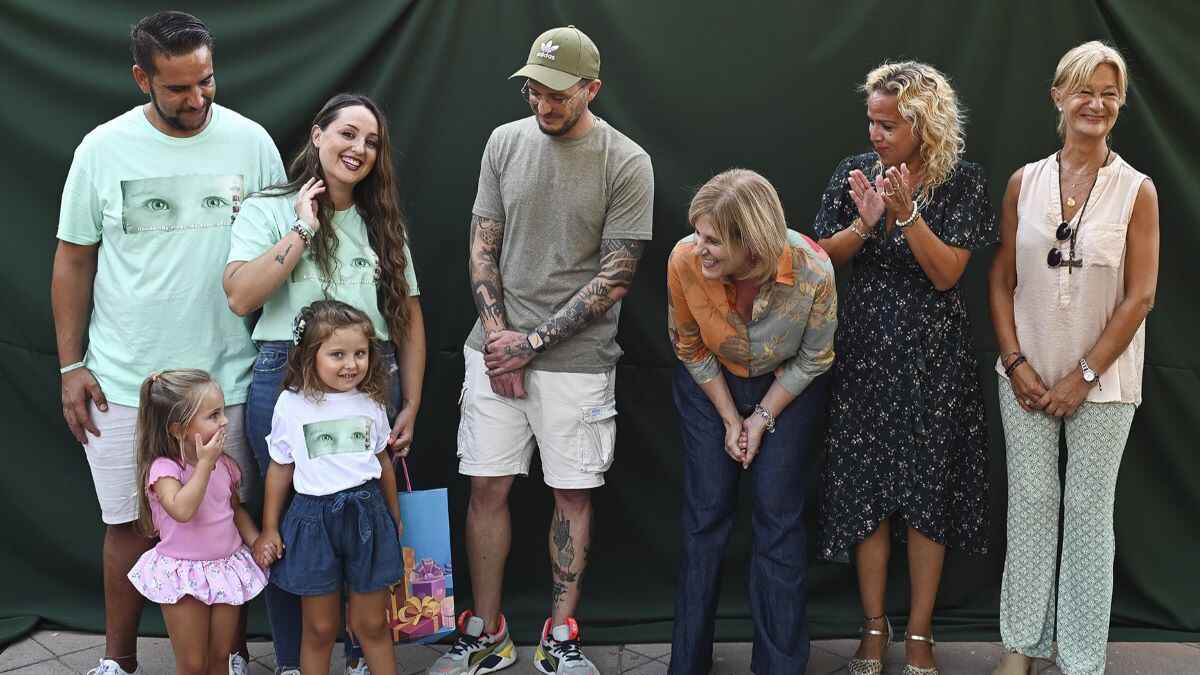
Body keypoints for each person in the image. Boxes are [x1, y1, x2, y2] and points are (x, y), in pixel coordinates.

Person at [50, 11, 284, 675]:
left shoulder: (252, 142)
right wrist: (73, 364)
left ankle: (232, 656)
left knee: (224, 521)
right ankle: (117, 661)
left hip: (229, 381)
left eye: (205, 81)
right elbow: (72, 259)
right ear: (141, 78)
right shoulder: (101, 149)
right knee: (127, 523)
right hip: (126, 380)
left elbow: (278, 255)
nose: (197, 98)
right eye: (178, 87)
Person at [430, 24, 654, 675]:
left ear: (592, 89)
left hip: (575, 364)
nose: (544, 104)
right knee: (485, 488)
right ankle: (488, 635)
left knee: (572, 495)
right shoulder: (503, 142)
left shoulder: (626, 161)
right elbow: (482, 244)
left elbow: (615, 277)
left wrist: (530, 343)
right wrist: (501, 338)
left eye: (558, 93)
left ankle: (559, 638)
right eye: (534, 89)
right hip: (492, 350)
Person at [224, 92, 424, 675]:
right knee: (292, 518)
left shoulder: (383, 225)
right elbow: (240, 295)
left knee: (362, 506)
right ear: (318, 135)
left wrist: (410, 399)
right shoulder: (268, 210)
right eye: (347, 135)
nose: (358, 149)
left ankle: (363, 655)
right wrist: (302, 230)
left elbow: (409, 321)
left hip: (370, 375)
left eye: (371, 141)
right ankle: (295, 660)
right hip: (284, 374)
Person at [813, 61, 997, 675]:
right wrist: (865, 225)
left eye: (888, 124)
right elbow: (819, 262)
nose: (876, 134)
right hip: (863, 356)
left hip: (933, 364)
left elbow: (947, 274)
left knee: (926, 500)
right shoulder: (851, 174)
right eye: (871, 121)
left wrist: (908, 214)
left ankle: (919, 635)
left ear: (924, 125)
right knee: (867, 494)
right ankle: (872, 628)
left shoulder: (962, 183)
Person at [988, 42, 1158, 675]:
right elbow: (1002, 276)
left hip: (1106, 384)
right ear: (1058, 96)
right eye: (1085, 90)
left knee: (1088, 515)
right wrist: (1014, 362)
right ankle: (1020, 649)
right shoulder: (1023, 182)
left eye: (1110, 92)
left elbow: (1141, 295)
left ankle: (1082, 660)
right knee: (1030, 506)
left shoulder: (1137, 191)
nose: (1097, 102)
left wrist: (1084, 376)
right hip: (1025, 377)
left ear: (1120, 104)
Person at [665, 169, 836, 674]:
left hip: (787, 387)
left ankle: (780, 666)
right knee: (705, 516)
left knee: (778, 519)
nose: (701, 248)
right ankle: (687, 664)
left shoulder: (813, 269)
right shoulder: (684, 261)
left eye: (714, 240)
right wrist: (727, 417)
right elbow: (689, 347)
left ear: (752, 246)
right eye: (699, 233)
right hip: (710, 384)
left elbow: (814, 358)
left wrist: (760, 418)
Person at [255, 300, 405, 675]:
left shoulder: (371, 401)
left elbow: (383, 461)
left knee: (371, 624)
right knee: (320, 628)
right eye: (337, 354)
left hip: (367, 516)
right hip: (312, 521)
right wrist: (270, 527)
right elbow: (279, 469)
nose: (350, 364)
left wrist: (394, 514)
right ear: (310, 355)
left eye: (360, 353)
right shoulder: (291, 404)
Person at [127, 370, 269, 675]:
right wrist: (204, 465)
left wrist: (256, 540)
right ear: (178, 429)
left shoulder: (225, 465)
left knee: (220, 658)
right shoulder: (164, 469)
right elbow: (182, 509)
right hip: (183, 574)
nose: (225, 421)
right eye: (213, 415)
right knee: (193, 664)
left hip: (225, 568)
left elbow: (234, 510)